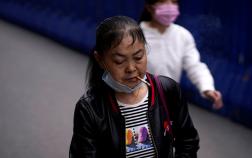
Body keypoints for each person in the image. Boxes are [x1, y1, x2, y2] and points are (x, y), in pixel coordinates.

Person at [69, 16, 199, 158]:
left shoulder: (167, 90)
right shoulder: (89, 108)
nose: (131, 68)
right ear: (100, 60)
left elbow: (188, 141)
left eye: (138, 57)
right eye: (119, 61)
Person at [139, 0, 223, 109]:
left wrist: (207, 88)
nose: (169, 7)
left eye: (173, 2)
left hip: (168, 104)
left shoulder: (183, 35)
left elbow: (194, 66)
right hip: (136, 103)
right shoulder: (135, 35)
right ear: (149, 7)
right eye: (163, 2)